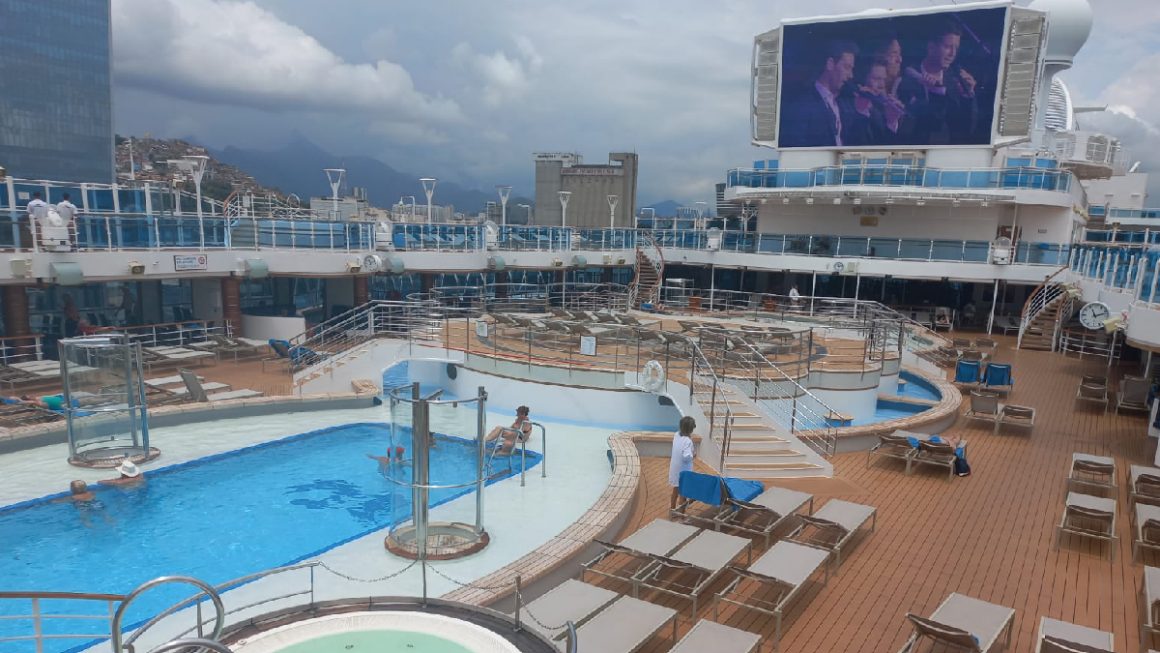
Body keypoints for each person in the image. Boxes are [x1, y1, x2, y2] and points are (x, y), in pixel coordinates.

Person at [897, 20, 979, 145]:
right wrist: (936, 92)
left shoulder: (956, 81)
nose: (952, 54)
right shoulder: (908, 78)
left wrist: (968, 95)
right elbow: (907, 127)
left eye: (956, 48)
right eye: (947, 47)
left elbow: (967, 130)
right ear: (931, 47)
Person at [780, 40, 858, 147]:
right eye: (847, 67)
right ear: (830, 64)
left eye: (851, 69)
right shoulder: (803, 104)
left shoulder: (844, 105)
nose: (851, 75)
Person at [842, 61, 907, 146]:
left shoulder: (880, 111)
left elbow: (884, 145)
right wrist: (861, 111)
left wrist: (891, 122)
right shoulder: (846, 107)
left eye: (884, 79)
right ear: (864, 80)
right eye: (877, 79)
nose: (882, 85)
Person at [669, 416, 696, 510]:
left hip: (675, 468)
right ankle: (681, 514)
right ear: (691, 429)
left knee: (675, 491)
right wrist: (693, 454)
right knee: (683, 494)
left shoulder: (676, 435)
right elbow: (686, 456)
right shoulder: (688, 441)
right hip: (683, 470)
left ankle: (672, 509)